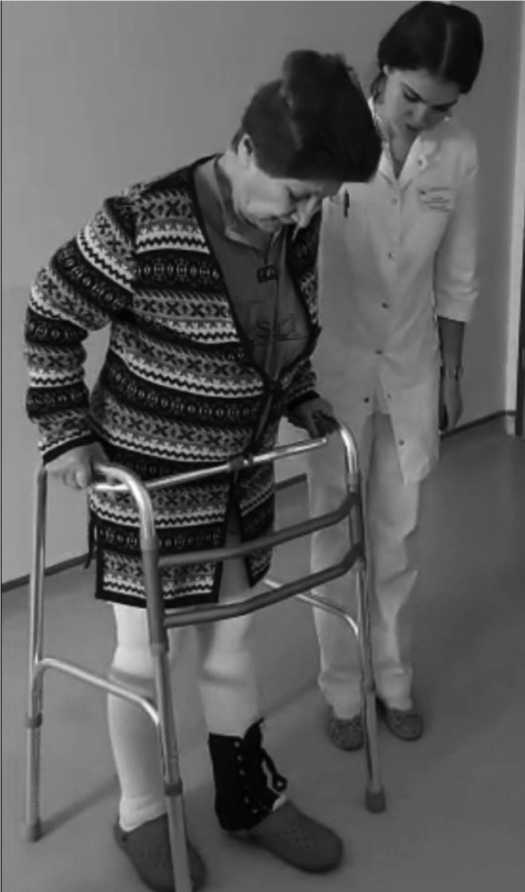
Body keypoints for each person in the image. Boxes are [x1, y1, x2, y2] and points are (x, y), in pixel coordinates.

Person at [24, 50, 381, 891]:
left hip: (238, 475)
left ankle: (247, 799)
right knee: (147, 656)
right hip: (152, 483)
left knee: (234, 635)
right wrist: (66, 432)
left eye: (319, 201)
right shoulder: (142, 221)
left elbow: (282, 329)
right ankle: (141, 813)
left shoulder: (293, 224)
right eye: (297, 195)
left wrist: (298, 393)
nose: (305, 215)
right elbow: (50, 313)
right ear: (247, 149)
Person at [307, 3, 484, 752]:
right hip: (335, 364)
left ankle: (392, 678)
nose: (421, 118)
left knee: (398, 536)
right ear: (384, 67)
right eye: (411, 97)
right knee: (332, 533)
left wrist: (451, 372)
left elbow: (459, 272)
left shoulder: (458, 151)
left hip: (411, 364)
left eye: (440, 106)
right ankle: (342, 689)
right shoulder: (332, 128)